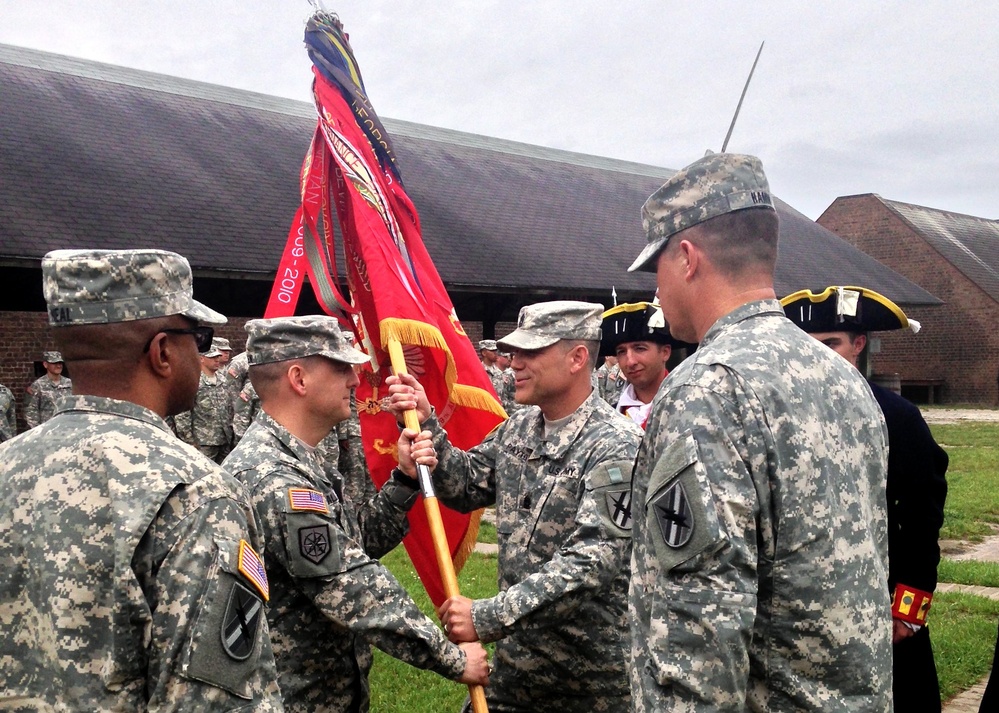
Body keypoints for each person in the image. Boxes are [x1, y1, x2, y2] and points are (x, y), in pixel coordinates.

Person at [626, 153, 893, 711]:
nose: (656, 291)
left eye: (657, 268)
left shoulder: (708, 386)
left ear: (686, 257)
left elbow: (699, 624)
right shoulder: (841, 376)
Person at [0, 248, 281, 709]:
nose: (204, 349)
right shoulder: (196, 494)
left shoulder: (7, 463)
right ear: (163, 351)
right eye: (200, 335)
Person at [223, 315, 489, 712]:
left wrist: (404, 480)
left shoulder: (300, 460)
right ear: (299, 379)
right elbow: (351, 586)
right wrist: (452, 658)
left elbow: (354, 543)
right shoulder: (274, 477)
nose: (354, 380)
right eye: (341, 367)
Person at [388, 301, 643, 713]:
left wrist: (486, 617)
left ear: (578, 357)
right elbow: (467, 483)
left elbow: (590, 565)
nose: (514, 363)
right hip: (514, 675)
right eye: (513, 352)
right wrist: (426, 422)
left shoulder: (616, 446)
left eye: (531, 352)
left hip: (588, 686)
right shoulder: (521, 427)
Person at [782, 285, 949, 711]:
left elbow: (921, 515)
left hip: (879, 601)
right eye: (809, 345)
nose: (819, 356)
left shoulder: (896, 415)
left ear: (858, 345)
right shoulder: (783, 414)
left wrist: (907, 610)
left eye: (831, 343)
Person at [599, 301, 676, 427]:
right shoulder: (607, 419)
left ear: (665, 353)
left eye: (640, 348)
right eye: (622, 351)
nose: (630, 362)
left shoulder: (691, 406)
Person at [175, 343, 234, 463]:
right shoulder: (194, 381)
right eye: (213, 357)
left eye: (218, 357)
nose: (217, 360)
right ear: (201, 359)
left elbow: (229, 408)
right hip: (203, 441)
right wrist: (189, 441)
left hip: (224, 439)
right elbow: (182, 414)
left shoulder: (222, 380)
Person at [23, 350, 73, 428]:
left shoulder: (70, 384)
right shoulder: (38, 386)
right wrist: (37, 432)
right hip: (47, 431)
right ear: (45, 364)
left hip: (67, 429)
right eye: (54, 363)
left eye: (60, 363)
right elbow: (31, 413)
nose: (58, 366)